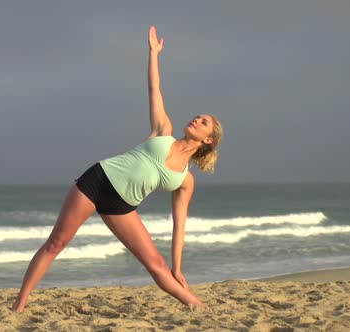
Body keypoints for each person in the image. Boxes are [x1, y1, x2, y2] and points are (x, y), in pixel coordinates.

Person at [12, 25, 223, 313]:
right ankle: (19, 305)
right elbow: (154, 89)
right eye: (197, 117)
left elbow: (180, 225)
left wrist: (178, 266)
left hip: (121, 205)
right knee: (56, 243)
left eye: (203, 122)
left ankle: (200, 307)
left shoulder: (184, 180)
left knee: (157, 266)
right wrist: (153, 54)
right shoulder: (164, 130)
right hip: (97, 180)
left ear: (208, 140)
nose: (196, 120)